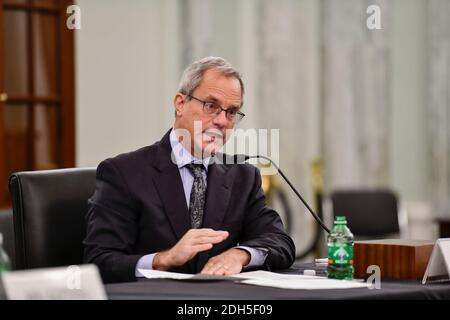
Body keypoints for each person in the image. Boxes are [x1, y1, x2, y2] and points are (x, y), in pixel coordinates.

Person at [83, 56, 295, 283]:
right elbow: (99, 261)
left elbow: (279, 241)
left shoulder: (243, 176)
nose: (222, 121)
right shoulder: (123, 173)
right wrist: (162, 259)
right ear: (180, 104)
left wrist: (241, 254)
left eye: (232, 112)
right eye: (211, 106)